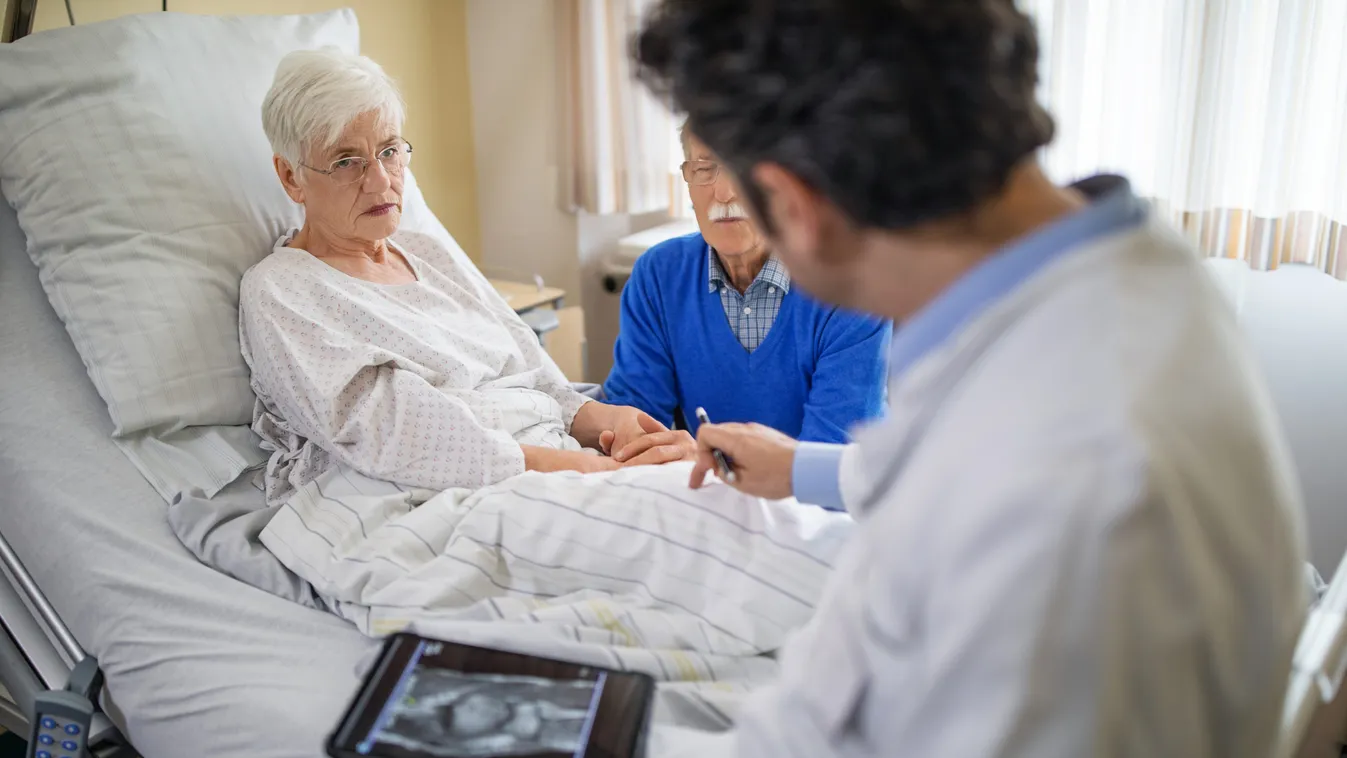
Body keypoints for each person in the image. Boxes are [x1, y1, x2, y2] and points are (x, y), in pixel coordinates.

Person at [634, 1, 1309, 756]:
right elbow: (956, 462)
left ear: (794, 207)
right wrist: (803, 467)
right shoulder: (1122, 275)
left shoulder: (1069, 493)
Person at [239, 48, 691, 505]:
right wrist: (591, 468)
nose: (380, 181)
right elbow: (387, 434)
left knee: (719, 495)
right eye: (346, 161)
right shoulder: (282, 289)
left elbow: (539, 377)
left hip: (561, 456)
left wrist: (612, 421)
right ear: (291, 177)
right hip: (470, 486)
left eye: (389, 151)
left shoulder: (430, 254)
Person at [600, 126, 890, 449]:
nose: (724, 193)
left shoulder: (849, 285)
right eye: (705, 168)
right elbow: (632, 421)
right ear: (687, 180)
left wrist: (707, 466)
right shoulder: (657, 275)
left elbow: (832, 465)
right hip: (702, 493)